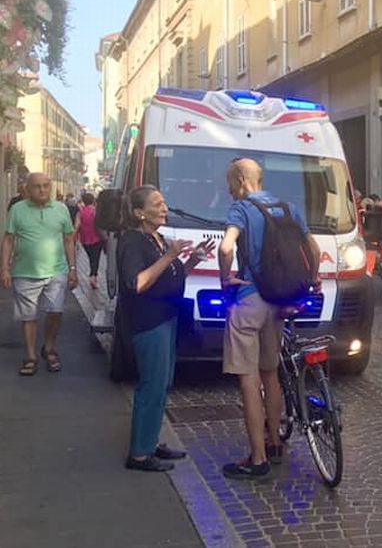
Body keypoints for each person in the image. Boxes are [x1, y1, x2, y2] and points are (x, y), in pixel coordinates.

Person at [217, 158, 321, 480]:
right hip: (279, 300)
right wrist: (312, 279)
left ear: (240, 179)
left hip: (250, 300)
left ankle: (258, 459)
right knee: (271, 373)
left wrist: (225, 280)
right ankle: (275, 443)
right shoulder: (288, 207)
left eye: (229, 183)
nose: (229, 189)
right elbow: (314, 249)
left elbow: (225, 248)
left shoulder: (241, 210)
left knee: (249, 379)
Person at [118, 185, 214, 472]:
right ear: (139, 213)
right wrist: (170, 256)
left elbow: (171, 276)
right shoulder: (133, 242)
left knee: (163, 383)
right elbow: (138, 282)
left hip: (167, 318)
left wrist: (192, 259)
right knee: (152, 386)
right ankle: (139, 454)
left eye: (164, 203)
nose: (164, 208)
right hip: (148, 322)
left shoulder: (156, 239)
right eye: (157, 204)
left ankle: (151, 441)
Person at [1, 173, 77, 375]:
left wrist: (72, 269)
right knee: (29, 316)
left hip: (56, 271)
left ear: (51, 187)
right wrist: (5, 268)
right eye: (37, 186)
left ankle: (49, 348)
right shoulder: (17, 210)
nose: (42, 190)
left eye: (45, 186)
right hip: (24, 272)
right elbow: (8, 240)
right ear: (27, 189)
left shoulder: (61, 209)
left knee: (55, 311)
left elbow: (69, 239)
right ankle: (30, 356)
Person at [74, 193, 103, 289]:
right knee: (96, 258)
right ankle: (93, 277)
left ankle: (92, 275)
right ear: (93, 200)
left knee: (91, 258)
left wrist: (74, 238)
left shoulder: (80, 213)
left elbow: (77, 226)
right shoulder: (96, 212)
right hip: (96, 239)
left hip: (84, 240)